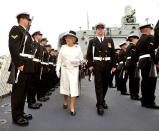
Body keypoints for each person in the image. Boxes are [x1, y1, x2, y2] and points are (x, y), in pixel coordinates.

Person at [8, 13, 34, 126]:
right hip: (21, 64)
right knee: (18, 92)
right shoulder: (16, 29)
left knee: (23, 92)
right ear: (22, 19)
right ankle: (16, 116)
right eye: (28, 19)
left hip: (27, 65)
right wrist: (18, 63)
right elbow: (13, 47)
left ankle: (21, 112)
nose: (29, 21)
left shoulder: (26, 32)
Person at [86, 23, 116, 115]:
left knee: (105, 84)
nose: (100, 30)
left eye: (102, 29)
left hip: (107, 65)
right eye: (98, 29)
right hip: (97, 65)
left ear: (104, 30)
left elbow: (113, 54)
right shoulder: (92, 41)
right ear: (96, 30)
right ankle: (100, 105)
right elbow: (89, 54)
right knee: (98, 85)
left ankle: (102, 100)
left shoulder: (109, 40)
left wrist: (114, 65)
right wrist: (90, 65)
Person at [56, 30, 83, 116]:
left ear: (74, 39)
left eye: (69, 38)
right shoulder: (63, 47)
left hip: (74, 70)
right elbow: (59, 60)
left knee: (74, 88)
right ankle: (65, 101)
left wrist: (75, 62)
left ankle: (72, 106)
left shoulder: (77, 48)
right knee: (65, 87)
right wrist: (57, 69)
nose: (67, 39)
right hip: (64, 70)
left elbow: (81, 60)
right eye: (66, 38)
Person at [136, 24, 159, 109]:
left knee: (145, 81)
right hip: (149, 61)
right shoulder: (149, 37)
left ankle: (144, 100)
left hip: (142, 62)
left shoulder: (139, 41)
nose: (151, 30)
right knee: (151, 81)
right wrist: (156, 61)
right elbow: (152, 50)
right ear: (146, 29)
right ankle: (150, 102)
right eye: (150, 29)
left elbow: (136, 53)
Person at [126, 34, 140, 100]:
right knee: (135, 79)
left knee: (132, 79)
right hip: (133, 64)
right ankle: (134, 94)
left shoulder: (129, 46)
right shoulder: (133, 46)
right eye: (137, 39)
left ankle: (132, 94)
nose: (137, 40)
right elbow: (134, 56)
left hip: (129, 64)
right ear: (133, 39)